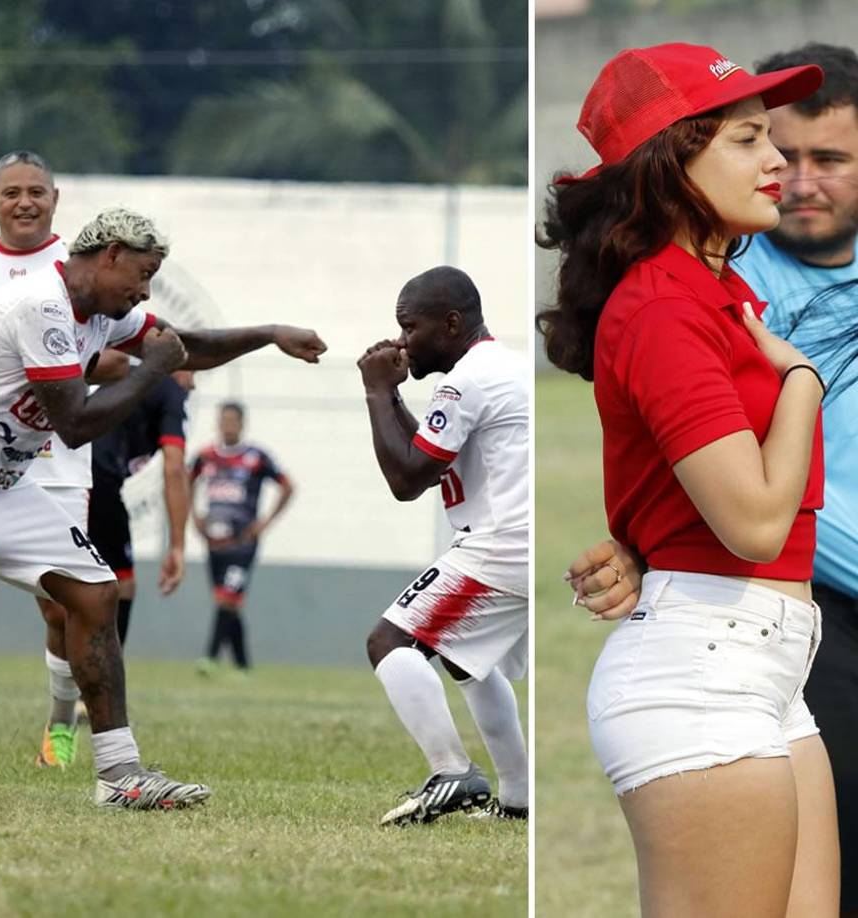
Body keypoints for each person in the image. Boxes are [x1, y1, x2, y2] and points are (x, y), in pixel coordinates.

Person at [539, 43, 837, 916]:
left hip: (764, 666)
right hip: (703, 673)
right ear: (672, 164)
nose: (779, 160)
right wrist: (804, 384)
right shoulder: (665, 306)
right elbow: (752, 524)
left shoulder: (721, 290)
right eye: (748, 140)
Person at [0, 206, 325, 809]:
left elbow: (188, 347)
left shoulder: (102, 312)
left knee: (96, 594)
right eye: (143, 273)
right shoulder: (42, 305)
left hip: (7, 487)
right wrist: (155, 371)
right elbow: (77, 424)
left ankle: (118, 774)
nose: (145, 289)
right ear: (109, 254)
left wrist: (268, 334)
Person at [0, 150, 127, 770]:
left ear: (55, 199)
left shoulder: (83, 273)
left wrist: (71, 366)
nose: (24, 201)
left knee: (62, 603)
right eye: (12, 192)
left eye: (36, 190)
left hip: (57, 456)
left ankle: (59, 728)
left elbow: (114, 357)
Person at [357, 266, 529, 826]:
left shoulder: (466, 380)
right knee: (467, 663)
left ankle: (451, 771)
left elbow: (408, 480)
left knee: (389, 642)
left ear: (451, 323)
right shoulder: (491, 368)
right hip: (515, 541)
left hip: (499, 544)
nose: (403, 340)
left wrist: (377, 392)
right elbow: (431, 454)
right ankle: (519, 799)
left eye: (410, 326)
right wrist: (395, 397)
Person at [88, 369, 195, 645]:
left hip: (66, 478)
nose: (192, 384)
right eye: (192, 371)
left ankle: (79, 678)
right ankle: (104, 682)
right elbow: (174, 467)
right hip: (96, 484)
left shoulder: (129, 380)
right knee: (120, 585)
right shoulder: (169, 388)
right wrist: (178, 547)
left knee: (66, 593)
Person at [189, 403, 293, 674]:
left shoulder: (256, 457)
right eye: (224, 420)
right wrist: (194, 515)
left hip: (243, 542)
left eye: (233, 420)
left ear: (242, 423)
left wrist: (265, 522)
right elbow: (183, 480)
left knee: (228, 599)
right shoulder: (206, 456)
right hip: (214, 542)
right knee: (228, 603)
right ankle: (243, 664)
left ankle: (209, 658)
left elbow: (287, 486)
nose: (228, 425)